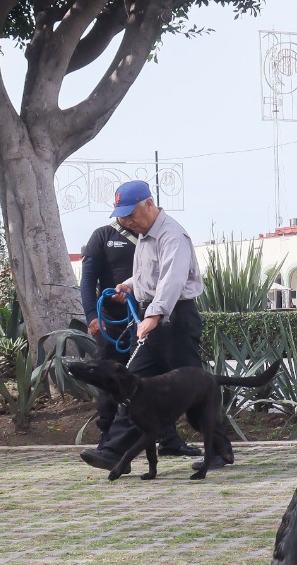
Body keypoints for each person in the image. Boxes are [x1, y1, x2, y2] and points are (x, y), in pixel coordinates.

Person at [79, 180, 205, 470]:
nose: (127, 221)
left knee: (195, 389)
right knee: (131, 383)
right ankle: (114, 452)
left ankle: (220, 449)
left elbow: (172, 280)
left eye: (131, 213)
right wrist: (128, 285)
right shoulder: (146, 236)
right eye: (122, 215)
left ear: (150, 204)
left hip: (177, 320)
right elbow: (150, 277)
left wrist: (153, 316)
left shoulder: (172, 235)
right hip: (156, 319)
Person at [78, 219, 139, 448]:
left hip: (145, 317)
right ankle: (108, 435)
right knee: (109, 378)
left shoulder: (153, 235)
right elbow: (87, 281)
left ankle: (165, 436)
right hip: (111, 322)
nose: (128, 217)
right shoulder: (102, 236)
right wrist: (92, 317)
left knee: (151, 375)